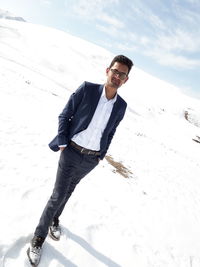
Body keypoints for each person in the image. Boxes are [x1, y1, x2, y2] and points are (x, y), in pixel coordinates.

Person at [27, 55, 133, 266]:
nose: (118, 76)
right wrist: (63, 141)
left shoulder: (121, 105)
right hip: (71, 152)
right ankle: (38, 239)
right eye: (115, 71)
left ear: (126, 79)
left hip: (91, 159)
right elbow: (64, 115)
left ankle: (55, 220)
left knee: (69, 191)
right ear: (107, 71)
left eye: (123, 74)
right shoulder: (87, 89)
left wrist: (101, 154)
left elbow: (110, 132)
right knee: (57, 196)